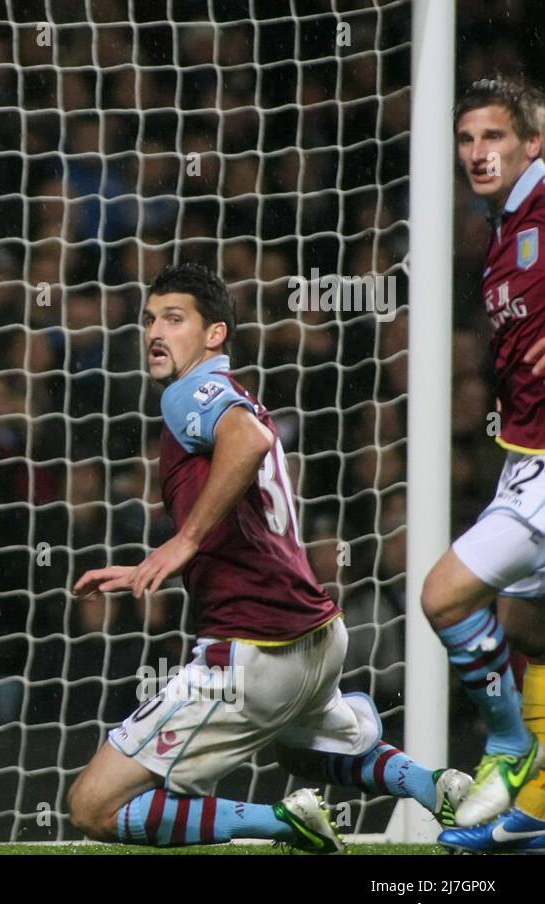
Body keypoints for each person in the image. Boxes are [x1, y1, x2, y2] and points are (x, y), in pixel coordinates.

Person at [68, 264, 469, 851]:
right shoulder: (241, 398)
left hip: (251, 647)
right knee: (295, 745)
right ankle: (436, 786)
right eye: (149, 319)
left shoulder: (192, 393)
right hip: (315, 635)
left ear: (215, 335)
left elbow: (248, 443)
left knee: (92, 807)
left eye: (174, 319)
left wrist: (184, 542)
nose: (155, 331)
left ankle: (279, 822)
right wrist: (157, 560)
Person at [432, 77, 545, 852]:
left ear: (532, 142)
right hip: (524, 457)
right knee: (526, 630)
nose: (478, 153)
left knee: (445, 597)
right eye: (467, 139)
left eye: (495, 137)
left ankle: (508, 751)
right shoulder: (503, 226)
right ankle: (535, 815)